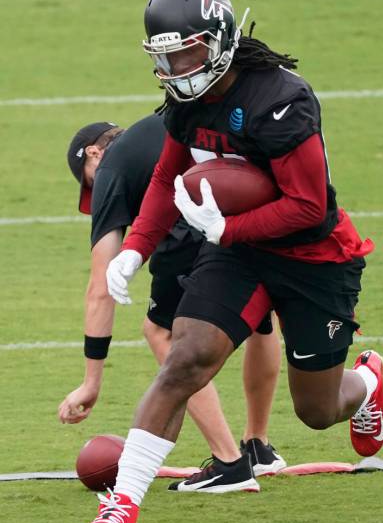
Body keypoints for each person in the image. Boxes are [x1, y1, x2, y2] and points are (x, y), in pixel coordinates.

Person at [70, 0, 383, 523]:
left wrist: (227, 226)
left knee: (316, 410)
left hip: (312, 256)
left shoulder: (280, 99)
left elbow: (309, 206)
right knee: (184, 359)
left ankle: (365, 382)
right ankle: (121, 506)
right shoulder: (185, 99)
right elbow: (169, 173)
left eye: (185, 51)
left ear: (218, 39)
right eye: (164, 56)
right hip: (239, 253)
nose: (176, 67)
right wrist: (136, 249)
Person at [58, 114, 286, 492]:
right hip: (250, 210)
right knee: (260, 318)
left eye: (88, 180)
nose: (94, 189)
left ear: (94, 153)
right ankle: (258, 447)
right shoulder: (168, 123)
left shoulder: (112, 168)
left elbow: (100, 286)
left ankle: (230, 464)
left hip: (192, 226)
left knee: (161, 330)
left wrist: (91, 382)